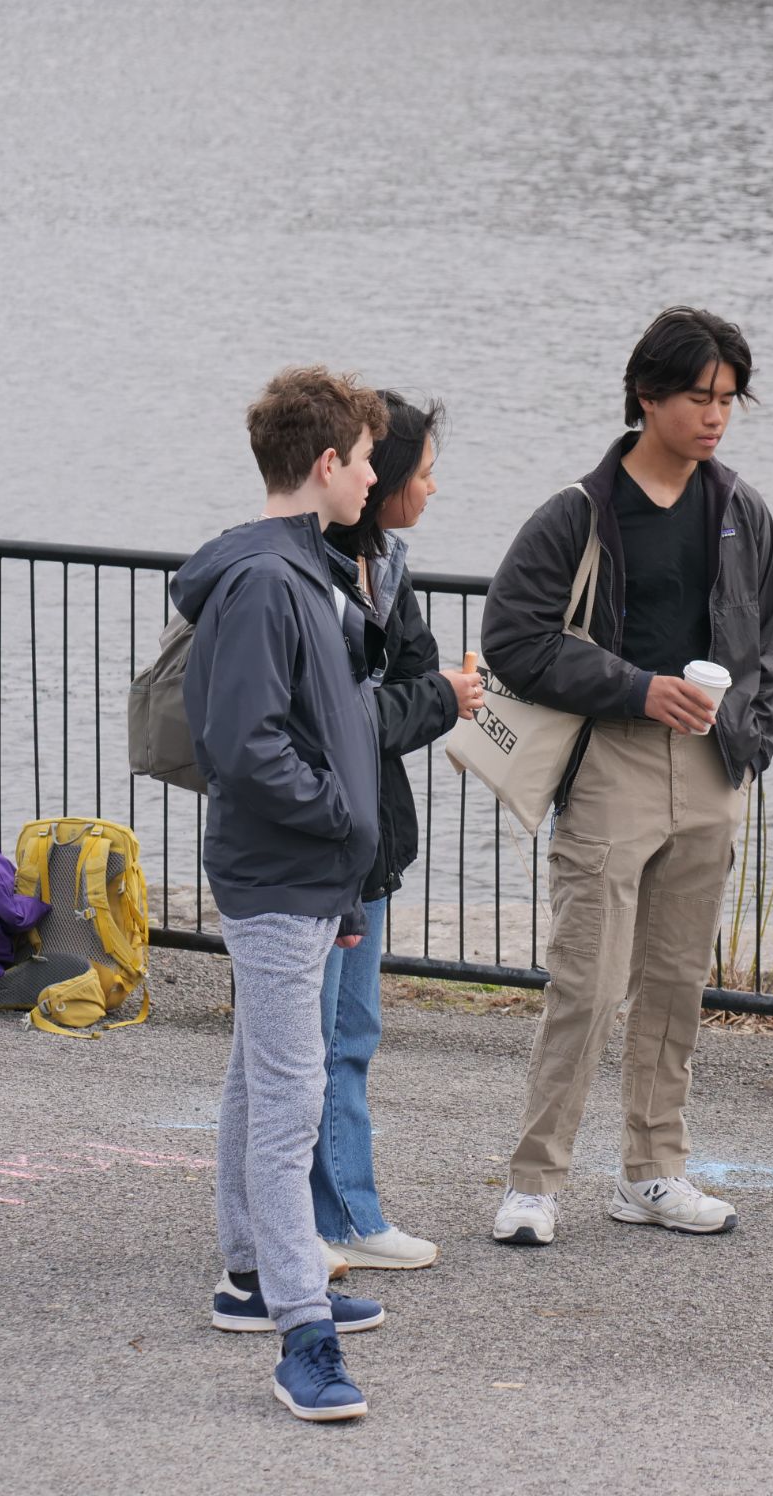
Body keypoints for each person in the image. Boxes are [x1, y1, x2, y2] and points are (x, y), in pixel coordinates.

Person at [481, 306, 773, 1246]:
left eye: (728, 399)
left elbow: (766, 638)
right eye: (699, 396)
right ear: (646, 395)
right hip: (611, 759)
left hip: (709, 767)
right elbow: (513, 638)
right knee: (588, 981)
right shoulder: (580, 510)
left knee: (675, 983)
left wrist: (750, 735)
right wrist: (635, 688)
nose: (716, 416)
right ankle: (536, 1182)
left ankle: (654, 1172)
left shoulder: (739, 508)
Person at [170, 367, 390, 1421]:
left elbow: (319, 723)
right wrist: (341, 819)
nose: (376, 475)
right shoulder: (268, 581)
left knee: (260, 1079)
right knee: (289, 1092)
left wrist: (343, 857)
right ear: (324, 465)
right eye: (365, 457)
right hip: (276, 872)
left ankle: (253, 1276)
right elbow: (244, 744)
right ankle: (298, 1328)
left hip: (303, 871)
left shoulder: (309, 570)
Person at [313, 392, 482, 1274]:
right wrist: (436, 699)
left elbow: (399, 703)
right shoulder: (310, 574)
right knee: (313, 1041)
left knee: (348, 1034)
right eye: (417, 472)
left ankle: (338, 1211)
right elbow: (346, 717)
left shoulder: (385, 567)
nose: (424, 486)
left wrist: (429, 699)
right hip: (318, 842)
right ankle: (330, 1218)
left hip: (369, 837)